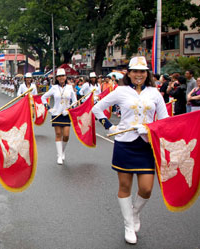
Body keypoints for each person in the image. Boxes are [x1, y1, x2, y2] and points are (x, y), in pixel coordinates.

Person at [92, 56, 168, 245]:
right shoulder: (121, 91)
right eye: (135, 71)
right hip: (125, 143)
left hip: (146, 145)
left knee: (147, 188)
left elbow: (165, 120)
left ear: (147, 73)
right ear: (129, 73)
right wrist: (110, 127)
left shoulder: (155, 93)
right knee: (125, 186)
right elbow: (97, 109)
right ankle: (128, 225)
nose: (139, 75)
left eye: (142, 71)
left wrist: (151, 128)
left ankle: (134, 214)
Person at [41, 68, 77, 165]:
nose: (61, 78)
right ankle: (59, 155)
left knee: (66, 135)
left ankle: (62, 151)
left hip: (66, 114)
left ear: (65, 77)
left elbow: (75, 101)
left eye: (63, 76)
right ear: (57, 78)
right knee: (58, 134)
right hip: (56, 114)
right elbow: (43, 97)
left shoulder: (70, 87)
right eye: (59, 76)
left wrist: (69, 109)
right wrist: (49, 108)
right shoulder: (54, 88)